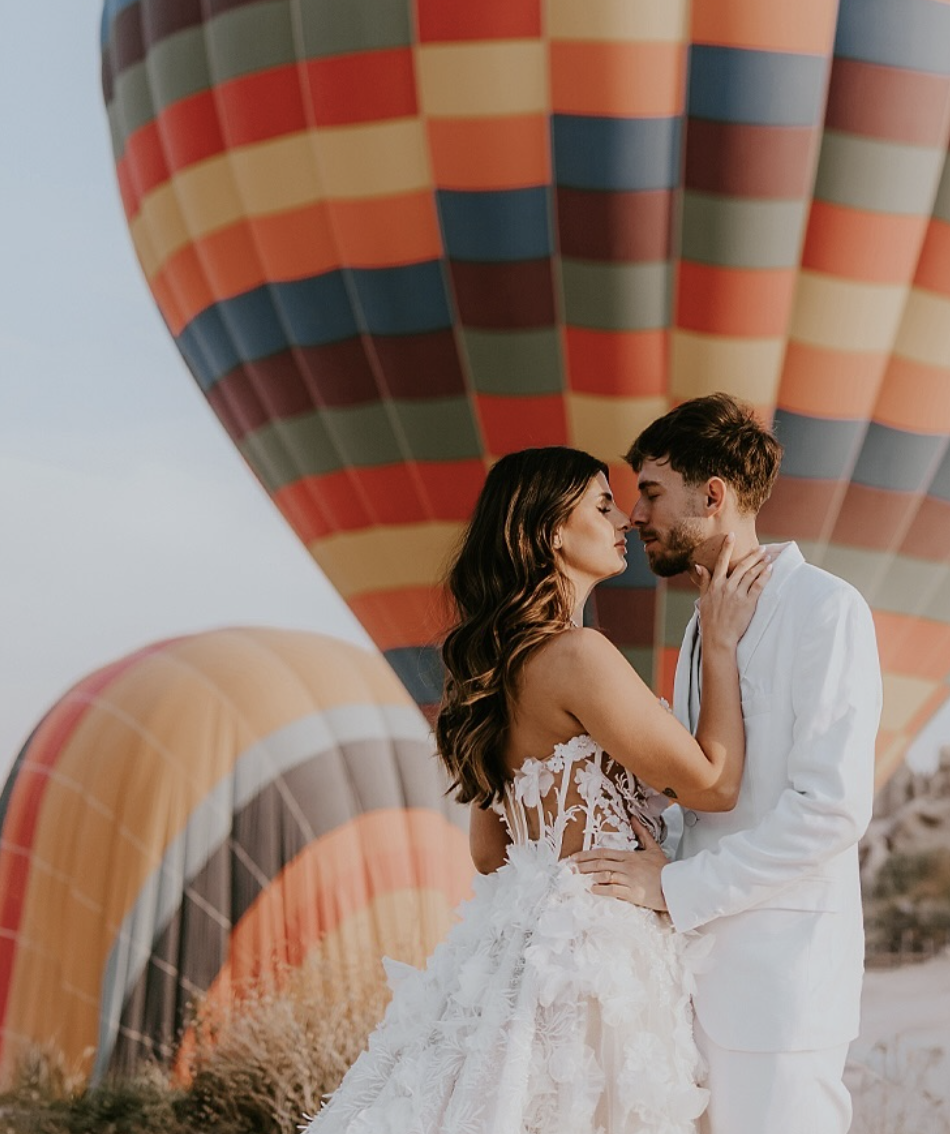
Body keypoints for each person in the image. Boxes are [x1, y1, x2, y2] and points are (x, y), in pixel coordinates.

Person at [305, 445, 769, 1134]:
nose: (624, 518)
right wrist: (723, 646)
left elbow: (492, 853)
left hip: (513, 947)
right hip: (595, 945)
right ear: (553, 530)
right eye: (601, 504)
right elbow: (715, 781)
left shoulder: (486, 676)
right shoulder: (578, 656)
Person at [572, 394, 883, 1134]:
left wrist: (674, 885)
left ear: (712, 496)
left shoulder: (826, 610)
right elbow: (700, 795)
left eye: (650, 492)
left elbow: (831, 810)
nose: (634, 515)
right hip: (684, 982)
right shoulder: (701, 623)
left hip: (780, 984)